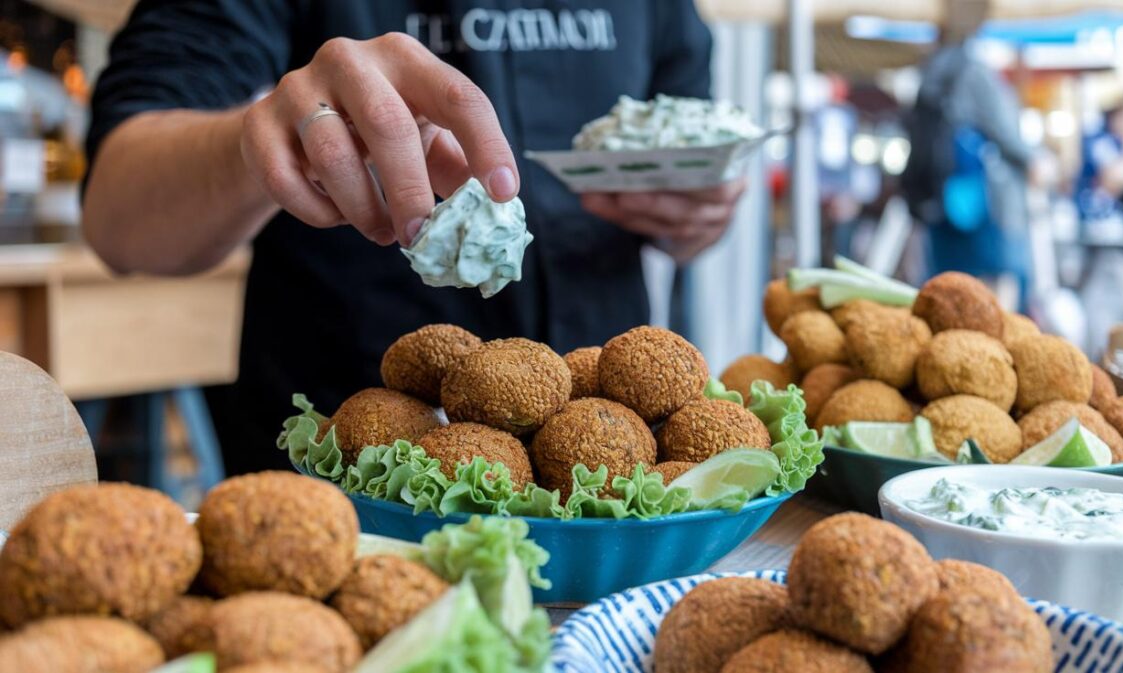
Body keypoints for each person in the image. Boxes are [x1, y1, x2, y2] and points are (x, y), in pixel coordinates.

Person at [82, 1, 746, 475]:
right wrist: (266, 140)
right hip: (346, 467)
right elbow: (117, 214)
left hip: (611, 471)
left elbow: (691, 160)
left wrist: (699, 219)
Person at [901, 0, 1033, 307]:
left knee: (946, 288)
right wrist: (1035, 161)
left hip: (940, 199)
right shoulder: (973, 70)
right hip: (977, 200)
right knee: (988, 293)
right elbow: (1006, 133)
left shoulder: (930, 70)